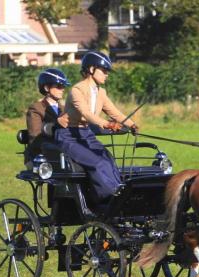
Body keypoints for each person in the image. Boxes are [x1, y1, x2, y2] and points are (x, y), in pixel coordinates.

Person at [55, 51, 138, 203]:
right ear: (91, 69)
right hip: (69, 136)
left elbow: (113, 111)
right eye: (104, 71)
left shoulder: (101, 92)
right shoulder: (77, 90)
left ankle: (120, 192)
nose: (107, 74)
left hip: (85, 134)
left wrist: (131, 124)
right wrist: (107, 124)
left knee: (108, 158)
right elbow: (86, 114)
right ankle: (107, 198)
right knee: (97, 162)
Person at [25, 68, 70, 165]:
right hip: (40, 155)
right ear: (46, 88)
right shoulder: (36, 108)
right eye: (58, 86)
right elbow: (35, 136)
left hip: (63, 151)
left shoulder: (64, 108)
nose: (62, 89)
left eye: (63, 86)